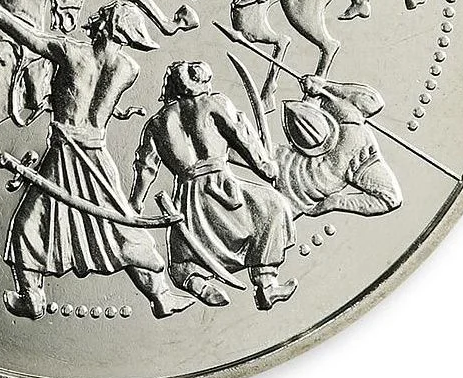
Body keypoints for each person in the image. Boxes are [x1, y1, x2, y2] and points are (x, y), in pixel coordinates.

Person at [0, 0, 194, 321]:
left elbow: (32, 39)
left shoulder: (72, 52)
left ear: (105, 24)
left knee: (29, 224)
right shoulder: (128, 68)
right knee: (121, 228)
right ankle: (160, 296)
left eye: (102, 16)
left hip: (64, 154)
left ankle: (32, 296)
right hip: (97, 157)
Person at [130, 61, 297, 311]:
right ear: (201, 83)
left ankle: (194, 281)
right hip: (221, 185)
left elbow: (146, 166)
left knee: (187, 245)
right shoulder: (214, 103)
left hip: (188, 196)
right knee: (274, 207)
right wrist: (264, 165)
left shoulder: (157, 122)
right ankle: (266, 284)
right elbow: (241, 136)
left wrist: (136, 202)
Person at [275, 74, 403, 217]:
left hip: (296, 188)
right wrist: (322, 87)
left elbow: (390, 199)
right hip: (290, 174)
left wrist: (324, 86)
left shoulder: (360, 145)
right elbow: (390, 199)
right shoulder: (359, 142)